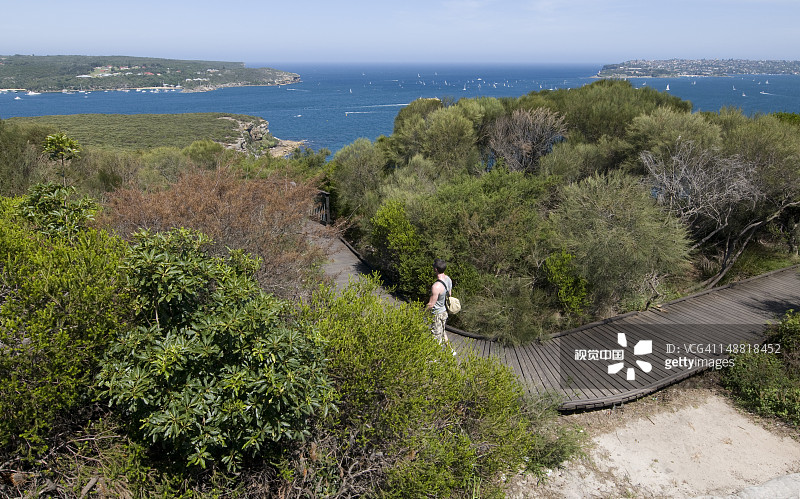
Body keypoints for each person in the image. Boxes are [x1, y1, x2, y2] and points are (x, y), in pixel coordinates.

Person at [425, 258, 455, 353]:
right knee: (442, 331)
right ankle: (450, 350)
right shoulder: (448, 279)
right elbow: (449, 294)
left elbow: (431, 304)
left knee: (436, 337)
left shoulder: (436, 286)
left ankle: (434, 359)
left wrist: (424, 313)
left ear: (436, 269)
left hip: (437, 314)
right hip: (444, 312)